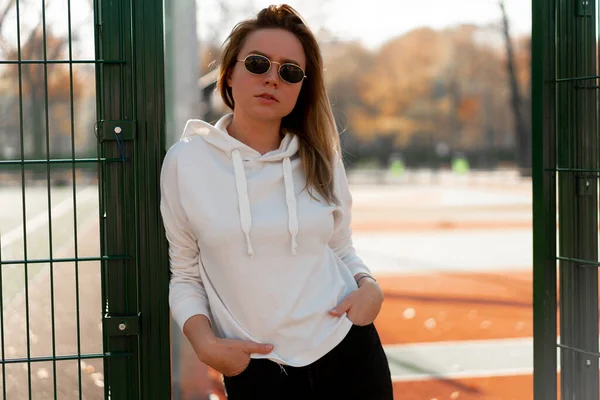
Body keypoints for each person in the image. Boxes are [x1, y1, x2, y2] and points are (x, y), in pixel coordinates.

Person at [160, 4, 393, 399]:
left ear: (302, 87)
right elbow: (184, 273)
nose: (272, 78)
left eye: (289, 71)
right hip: (258, 368)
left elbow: (341, 246)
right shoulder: (186, 161)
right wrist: (205, 345)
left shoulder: (319, 155)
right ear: (229, 73)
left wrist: (370, 287)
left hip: (349, 353)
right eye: (257, 63)